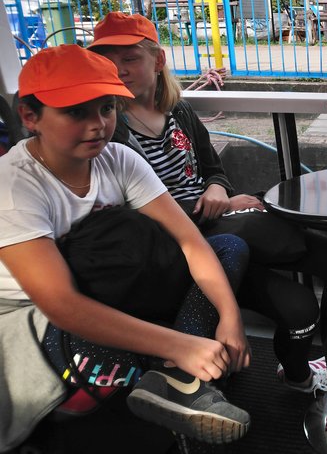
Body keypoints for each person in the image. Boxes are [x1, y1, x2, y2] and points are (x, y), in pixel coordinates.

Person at [89, 11, 327, 452]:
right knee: (301, 304)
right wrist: (217, 206)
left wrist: (218, 189)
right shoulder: (110, 129)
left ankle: (323, 392)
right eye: (108, 61)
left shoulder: (178, 111)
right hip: (192, 247)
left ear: (158, 60)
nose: (119, 70)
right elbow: (137, 217)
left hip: (225, 228)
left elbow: (213, 170)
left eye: (129, 58)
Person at [0, 45, 252, 450]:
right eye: (76, 112)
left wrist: (230, 316)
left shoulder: (117, 158)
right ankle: (172, 369)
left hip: (113, 289)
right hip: (40, 315)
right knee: (121, 238)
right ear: (30, 117)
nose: (98, 125)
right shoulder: (14, 186)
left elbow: (189, 241)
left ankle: (174, 378)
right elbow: (60, 303)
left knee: (226, 246)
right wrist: (179, 344)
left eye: (106, 108)